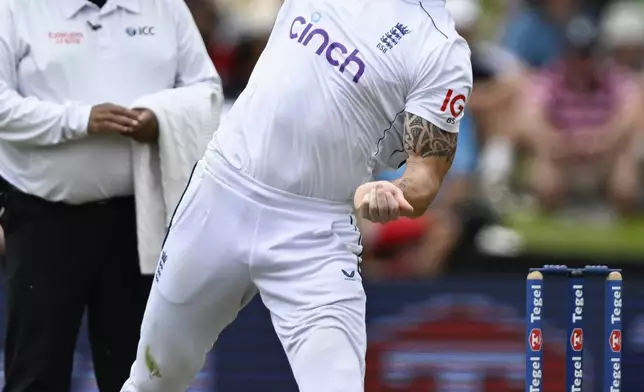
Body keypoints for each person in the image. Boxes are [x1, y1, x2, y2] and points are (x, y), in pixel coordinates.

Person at [121, 0, 472, 391]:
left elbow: (425, 177)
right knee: (152, 381)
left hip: (314, 232)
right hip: (221, 193)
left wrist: (394, 190)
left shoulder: (441, 51)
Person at [0, 0, 220, 391]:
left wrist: (159, 120)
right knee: (35, 373)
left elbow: (206, 89)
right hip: (43, 218)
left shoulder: (165, 7)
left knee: (136, 375)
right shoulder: (16, 8)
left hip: (141, 221)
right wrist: (80, 120)